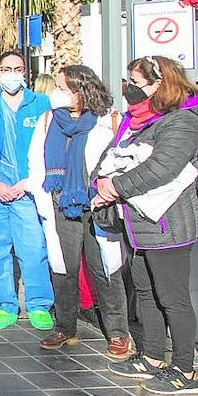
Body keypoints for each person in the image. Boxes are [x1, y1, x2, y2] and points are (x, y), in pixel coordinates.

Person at [96, 56, 198, 394]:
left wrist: (114, 187)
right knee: (145, 291)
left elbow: (162, 168)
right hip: (137, 222)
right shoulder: (136, 120)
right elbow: (111, 155)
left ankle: (185, 369)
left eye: (136, 82)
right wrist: (101, 182)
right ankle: (153, 355)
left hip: (167, 222)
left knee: (172, 297)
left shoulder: (183, 121)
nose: (128, 90)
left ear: (159, 84)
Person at [26, 66, 130, 357]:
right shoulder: (49, 121)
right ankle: (65, 326)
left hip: (98, 205)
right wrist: (41, 194)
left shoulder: (108, 120)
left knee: (104, 268)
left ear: (82, 90)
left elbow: (121, 160)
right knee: (64, 267)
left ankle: (118, 332)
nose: (57, 94)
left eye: (63, 88)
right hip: (59, 203)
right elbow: (35, 161)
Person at [0, 51, 54, 331]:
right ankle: (5, 304)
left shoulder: (41, 105)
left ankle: (39, 304)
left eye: (17, 69)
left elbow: (48, 150)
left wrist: (27, 183)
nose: (12, 74)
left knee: (33, 248)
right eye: (6, 69)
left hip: (27, 190)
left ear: (25, 72)